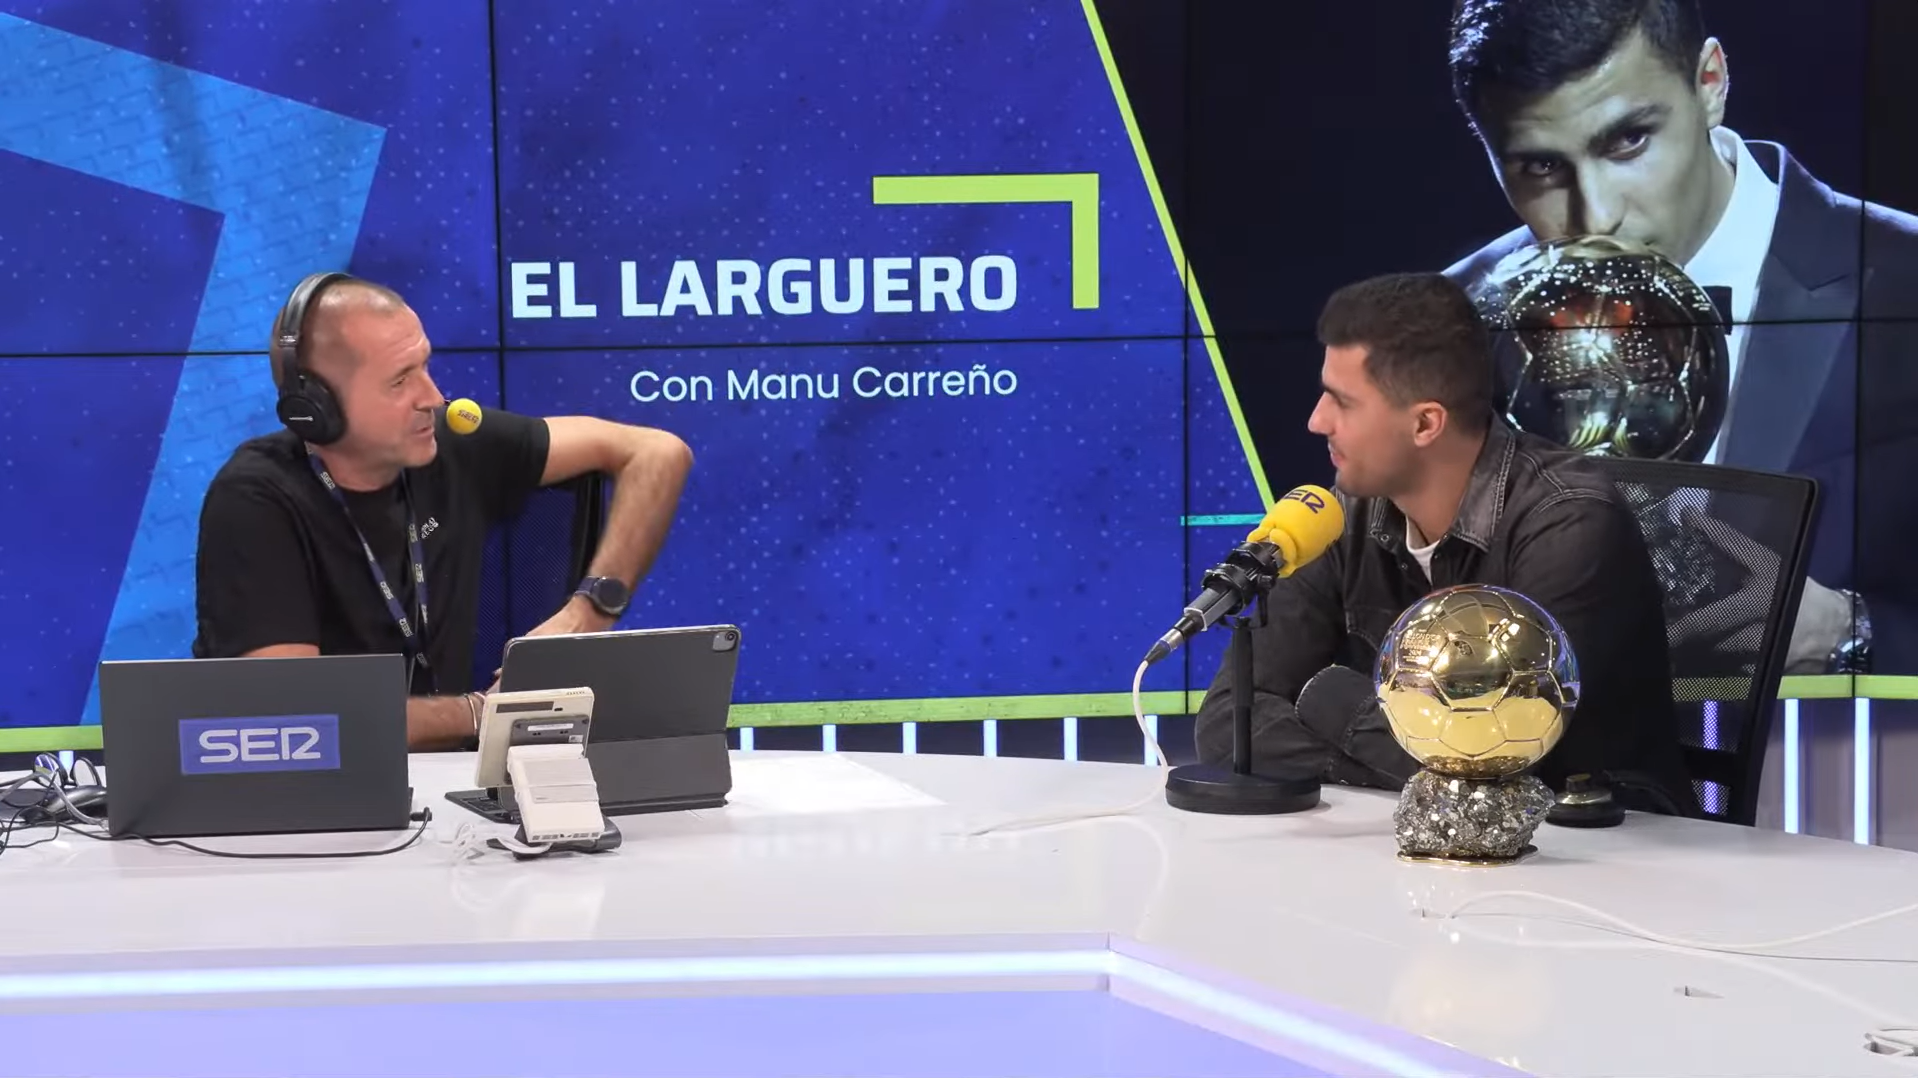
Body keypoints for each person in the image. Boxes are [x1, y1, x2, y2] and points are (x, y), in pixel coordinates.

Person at [1442, 0, 1918, 675]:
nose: (1596, 214)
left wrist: (1849, 634)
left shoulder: (1904, 280)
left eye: (1628, 141)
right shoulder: (1450, 323)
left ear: (1710, 82)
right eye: (1541, 169)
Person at [1192, 273, 1694, 813]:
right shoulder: (1341, 518)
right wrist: (1392, 768)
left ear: (1426, 424)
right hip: (1421, 837)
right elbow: (1228, 725)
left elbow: (1506, 766)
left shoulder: (1570, 525)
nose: (1317, 421)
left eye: (1343, 402)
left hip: (1605, 845)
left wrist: (1329, 701)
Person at [191, 272, 694, 750]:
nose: (432, 397)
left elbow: (657, 453)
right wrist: (481, 712)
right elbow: (293, 716)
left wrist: (589, 611)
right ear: (315, 408)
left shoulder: (451, 443)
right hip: (325, 792)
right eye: (399, 381)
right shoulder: (255, 500)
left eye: (425, 366)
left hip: (455, 785)